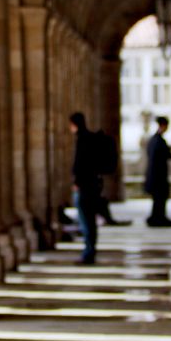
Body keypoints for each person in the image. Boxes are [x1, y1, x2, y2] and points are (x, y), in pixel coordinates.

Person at [69, 111, 102, 263]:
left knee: (85, 220)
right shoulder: (92, 138)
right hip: (94, 185)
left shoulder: (82, 140)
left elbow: (79, 165)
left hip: (84, 187)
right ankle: (91, 250)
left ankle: (88, 253)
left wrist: (76, 183)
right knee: (90, 220)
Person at [144, 116, 171, 226]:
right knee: (159, 199)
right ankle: (158, 218)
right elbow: (163, 156)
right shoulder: (159, 141)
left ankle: (158, 217)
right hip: (158, 176)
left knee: (158, 200)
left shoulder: (153, 140)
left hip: (154, 176)